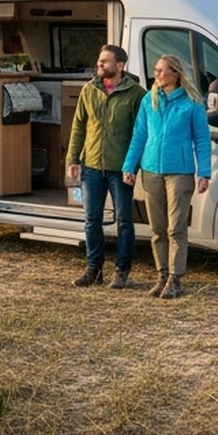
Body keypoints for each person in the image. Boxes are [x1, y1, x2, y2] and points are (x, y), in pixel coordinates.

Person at [123, 54, 213, 299]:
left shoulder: (192, 103)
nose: (157, 74)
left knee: (176, 228)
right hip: (151, 170)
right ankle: (161, 274)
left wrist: (204, 172)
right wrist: (129, 166)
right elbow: (139, 135)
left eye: (162, 70)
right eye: (156, 70)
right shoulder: (148, 101)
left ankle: (176, 278)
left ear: (176, 73)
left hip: (180, 172)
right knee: (157, 228)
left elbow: (202, 140)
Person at [66, 45, 146, 289]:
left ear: (120, 65)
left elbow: (140, 134)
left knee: (124, 221)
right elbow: (79, 125)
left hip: (120, 168)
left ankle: (122, 272)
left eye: (105, 62)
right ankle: (94, 269)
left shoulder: (136, 94)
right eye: (99, 61)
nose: (99, 65)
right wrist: (73, 159)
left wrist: (133, 166)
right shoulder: (89, 90)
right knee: (91, 220)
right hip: (91, 166)